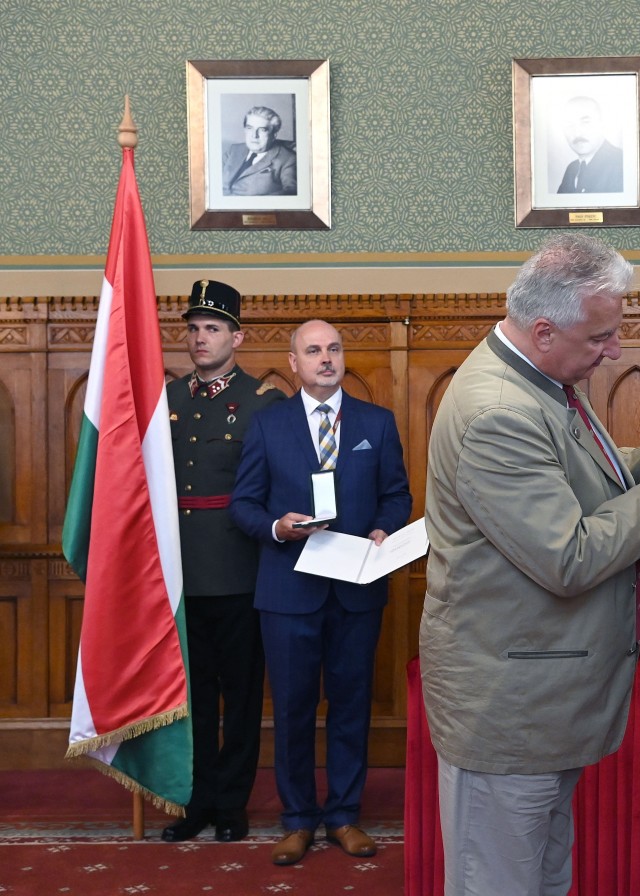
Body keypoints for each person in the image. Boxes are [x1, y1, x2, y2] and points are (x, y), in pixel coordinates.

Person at [419, 232, 640, 896]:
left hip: (539, 701)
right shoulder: (498, 412)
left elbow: (574, 478)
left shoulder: (538, 377)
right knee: (500, 884)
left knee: (542, 877)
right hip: (509, 711)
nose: (614, 351)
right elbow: (569, 555)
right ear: (544, 330)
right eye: (601, 337)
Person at [229, 319, 412, 866]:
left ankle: (343, 816)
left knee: (352, 706)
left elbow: (397, 495)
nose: (326, 358)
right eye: (313, 350)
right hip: (288, 592)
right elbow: (244, 504)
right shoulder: (268, 425)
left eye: (333, 348)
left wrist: (383, 528)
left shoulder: (377, 423)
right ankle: (298, 820)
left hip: (356, 590)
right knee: (292, 710)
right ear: (294, 363)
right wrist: (277, 527)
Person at [161, 279, 284, 843]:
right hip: (178, 573)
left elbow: (270, 490)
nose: (200, 338)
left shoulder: (263, 403)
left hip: (238, 571)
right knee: (191, 700)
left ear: (238, 337)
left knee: (238, 697)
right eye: (193, 328)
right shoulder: (168, 400)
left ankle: (232, 804)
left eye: (212, 328)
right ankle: (196, 801)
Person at [221, 105, 298, 196]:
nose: (254, 135)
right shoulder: (234, 150)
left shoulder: (288, 159)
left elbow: (291, 192)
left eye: (262, 130)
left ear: (274, 135)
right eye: (250, 128)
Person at [555, 95, 623, 194]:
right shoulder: (571, 169)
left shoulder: (620, 164)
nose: (577, 133)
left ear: (602, 124)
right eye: (569, 125)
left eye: (585, 122)